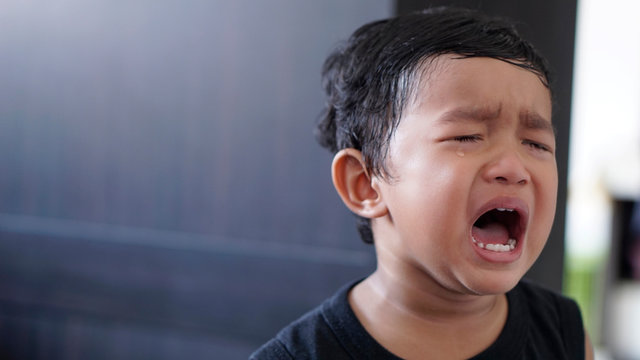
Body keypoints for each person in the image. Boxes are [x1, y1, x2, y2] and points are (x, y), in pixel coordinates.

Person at [251, 7, 593, 359]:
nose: (513, 166)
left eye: (536, 144)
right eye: (467, 136)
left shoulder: (563, 333)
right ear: (365, 184)